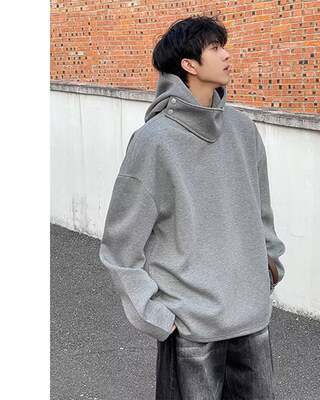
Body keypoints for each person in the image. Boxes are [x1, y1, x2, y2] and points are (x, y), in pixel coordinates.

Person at [99, 15, 286, 400]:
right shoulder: (154, 142)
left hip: (252, 320)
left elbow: (261, 210)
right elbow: (120, 246)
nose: (227, 55)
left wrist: (269, 266)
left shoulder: (243, 129)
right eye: (215, 48)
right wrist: (155, 315)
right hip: (191, 329)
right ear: (189, 64)